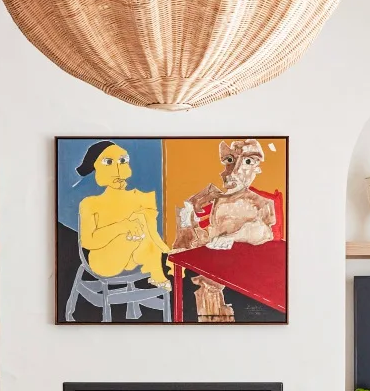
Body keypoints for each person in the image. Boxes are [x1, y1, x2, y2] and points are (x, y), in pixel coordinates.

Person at [170, 138, 278, 321]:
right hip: (215, 269)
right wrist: (187, 223)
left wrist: (233, 237)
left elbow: (263, 232)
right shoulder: (218, 200)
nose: (234, 170)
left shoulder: (262, 203)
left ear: (257, 168)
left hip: (247, 274)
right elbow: (211, 237)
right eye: (229, 160)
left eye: (248, 161)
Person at [74, 141, 170, 287]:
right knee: (140, 220)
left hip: (137, 258)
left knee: (142, 218)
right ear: (96, 167)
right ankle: (157, 274)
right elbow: (88, 242)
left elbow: (152, 232)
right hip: (105, 261)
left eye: (123, 160)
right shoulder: (89, 203)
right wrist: (122, 227)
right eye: (108, 162)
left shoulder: (138, 197)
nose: (118, 169)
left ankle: (157, 270)